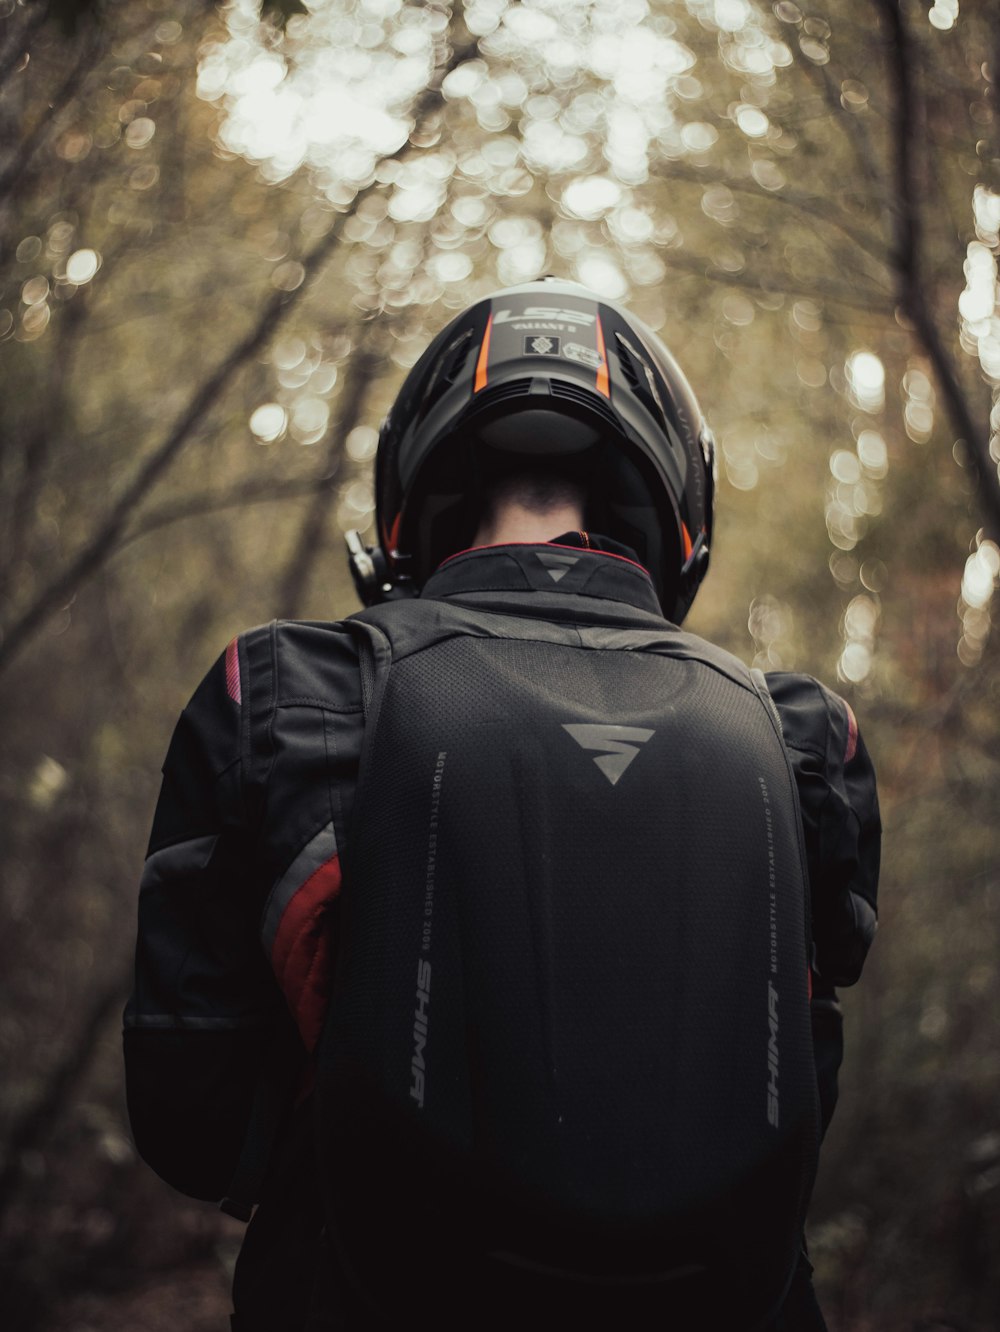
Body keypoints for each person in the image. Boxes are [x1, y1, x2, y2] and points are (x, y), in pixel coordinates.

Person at [124, 278, 880, 1330]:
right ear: (672, 509)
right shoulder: (803, 740)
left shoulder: (287, 697)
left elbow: (191, 1116)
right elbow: (801, 1091)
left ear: (415, 489)